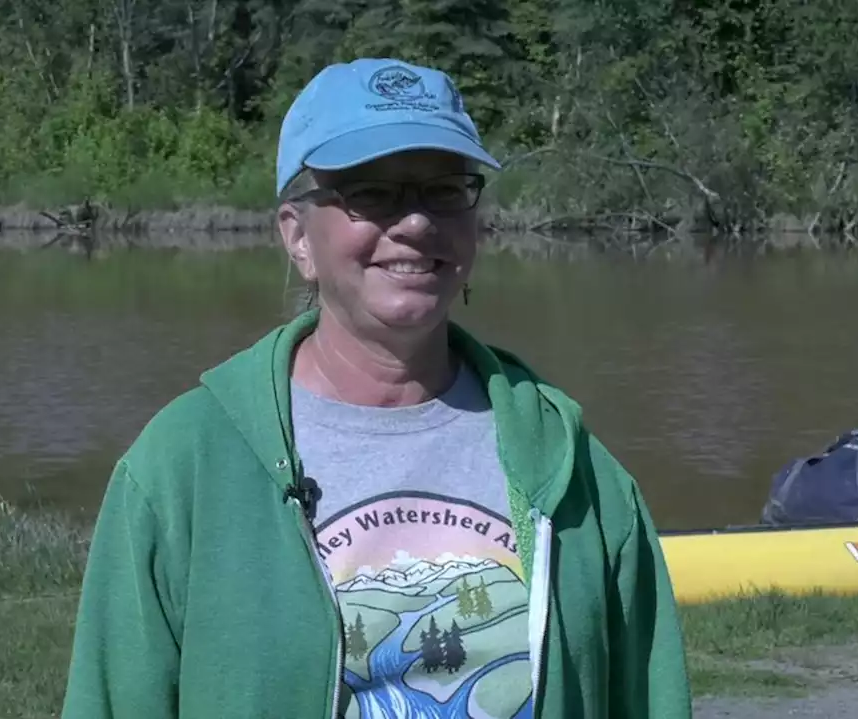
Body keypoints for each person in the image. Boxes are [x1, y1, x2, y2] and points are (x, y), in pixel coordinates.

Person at [60, 58, 693, 719]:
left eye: (445, 190)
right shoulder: (180, 466)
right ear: (297, 235)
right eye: (372, 192)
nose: (416, 223)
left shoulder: (573, 465)